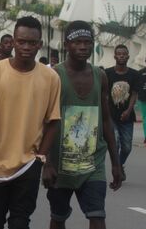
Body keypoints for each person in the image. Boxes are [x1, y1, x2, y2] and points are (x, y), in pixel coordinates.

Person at [0, 16, 61, 229]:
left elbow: (54, 121)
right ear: (13, 41)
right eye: (21, 41)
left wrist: (41, 158)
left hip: (28, 166)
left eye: (32, 43)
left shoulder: (50, 78)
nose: (26, 47)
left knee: (20, 223)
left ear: (40, 44)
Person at [45, 21, 122, 229]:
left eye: (87, 42)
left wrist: (116, 163)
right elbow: (43, 121)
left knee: (97, 216)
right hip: (60, 164)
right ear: (66, 44)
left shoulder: (100, 75)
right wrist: (47, 162)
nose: (82, 47)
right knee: (58, 217)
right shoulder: (53, 76)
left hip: (92, 164)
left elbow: (105, 120)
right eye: (77, 42)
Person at [105, 45, 138, 181]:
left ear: (128, 56)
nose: (121, 56)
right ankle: (117, 169)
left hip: (127, 117)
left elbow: (134, 94)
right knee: (116, 142)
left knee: (127, 147)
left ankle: (120, 165)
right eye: (119, 54)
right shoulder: (107, 73)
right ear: (114, 56)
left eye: (124, 54)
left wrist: (128, 110)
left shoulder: (135, 74)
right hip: (111, 116)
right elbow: (105, 95)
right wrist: (105, 113)